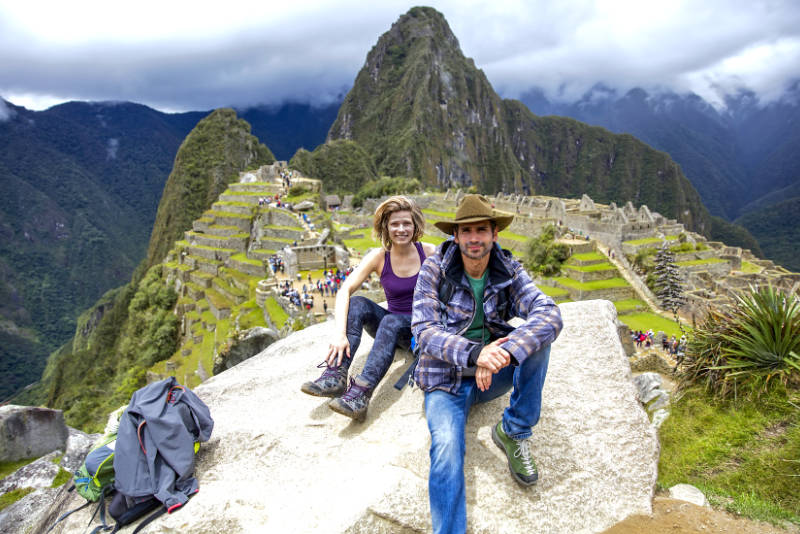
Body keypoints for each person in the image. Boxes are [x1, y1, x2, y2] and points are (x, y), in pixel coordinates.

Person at [411, 194, 562, 534]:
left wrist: (504, 353)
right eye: (467, 231)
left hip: (491, 374)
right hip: (445, 379)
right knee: (447, 450)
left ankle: (513, 430)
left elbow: (549, 314)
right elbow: (423, 331)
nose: (474, 238)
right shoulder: (434, 270)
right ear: (456, 236)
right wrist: (475, 353)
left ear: (495, 234)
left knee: (536, 342)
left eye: (482, 230)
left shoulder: (507, 269)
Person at [300, 196, 436, 421]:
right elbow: (345, 291)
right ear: (385, 227)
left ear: (415, 225)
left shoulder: (430, 253)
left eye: (406, 223)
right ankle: (336, 375)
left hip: (421, 330)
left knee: (390, 322)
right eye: (394, 224)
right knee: (359, 303)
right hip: (394, 327)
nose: (401, 229)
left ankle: (361, 394)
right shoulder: (379, 256)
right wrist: (339, 335)